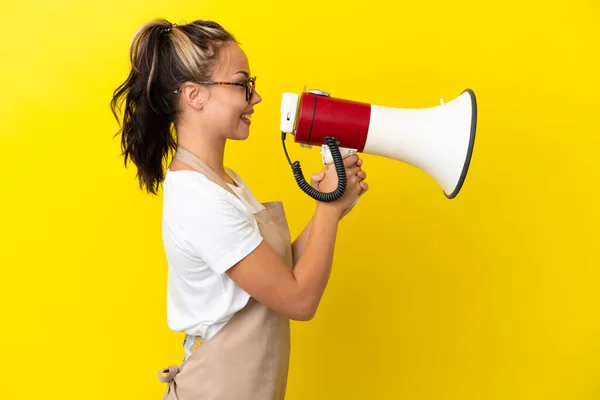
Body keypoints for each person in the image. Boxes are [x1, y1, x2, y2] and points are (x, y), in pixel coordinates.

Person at [110, 18, 368, 399]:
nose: (255, 98)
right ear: (194, 95)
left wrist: (331, 203)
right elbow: (299, 299)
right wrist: (328, 212)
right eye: (242, 84)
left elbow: (278, 278)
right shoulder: (200, 199)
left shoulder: (225, 183)